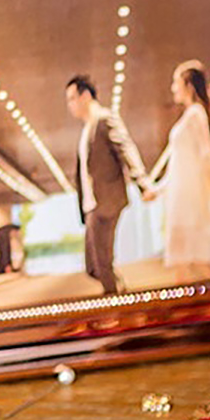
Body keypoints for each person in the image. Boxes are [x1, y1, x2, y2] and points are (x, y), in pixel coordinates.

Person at [64, 75, 151, 296]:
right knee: (93, 267)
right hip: (91, 206)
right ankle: (120, 290)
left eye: (72, 98)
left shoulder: (104, 119)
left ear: (85, 95)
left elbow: (125, 148)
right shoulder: (87, 129)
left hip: (105, 201)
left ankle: (117, 304)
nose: (70, 105)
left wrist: (142, 182)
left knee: (102, 264)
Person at [148, 60, 210, 270]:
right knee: (192, 263)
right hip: (183, 197)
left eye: (176, 82)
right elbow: (177, 165)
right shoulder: (190, 115)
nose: (173, 88)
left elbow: (206, 156)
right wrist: (158, 190)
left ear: (188, 86)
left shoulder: (196, 114)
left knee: (202, 262)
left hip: (193, 198)